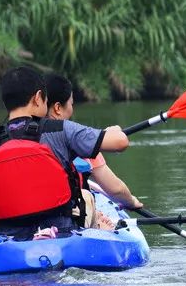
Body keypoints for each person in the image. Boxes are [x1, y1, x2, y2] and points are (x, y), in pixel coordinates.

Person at [0, 66, 129, 242]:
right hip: (61, 232)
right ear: (38, 98)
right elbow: (120, 143)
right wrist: (115, 130)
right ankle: (100, 229)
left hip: (9, 236)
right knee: (86, 195)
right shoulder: (61, 130)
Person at [44, 74, 143, 230]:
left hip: (28, 216)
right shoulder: (77, 140)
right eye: (71, 103)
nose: (72, 108)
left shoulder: (19, 135)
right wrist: (130, 201)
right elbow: (116, 189)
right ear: (57, 108)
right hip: (68, 216)